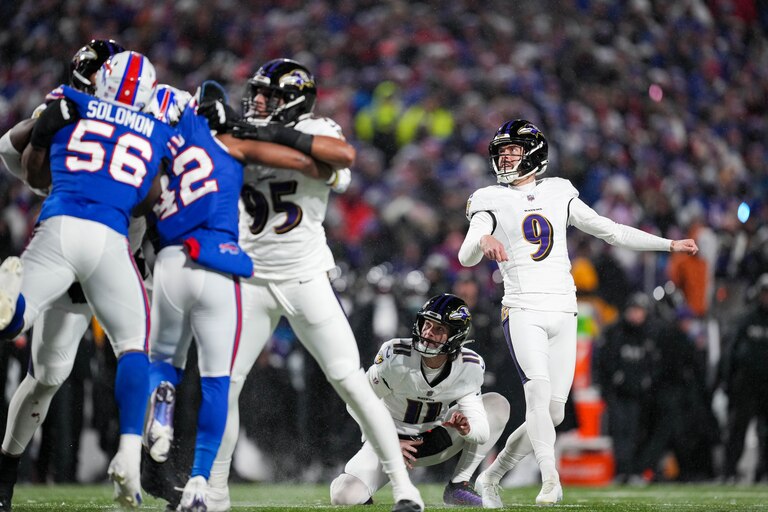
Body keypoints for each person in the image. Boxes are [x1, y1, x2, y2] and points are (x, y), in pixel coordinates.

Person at [203, 58, 423, 512]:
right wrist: (262, 141)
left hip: (305, 276)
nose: (257, 101)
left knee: (350, 380)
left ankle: (404, 487)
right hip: (250, 278)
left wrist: (265, 138)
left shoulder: (316, 128)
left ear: (293, 101)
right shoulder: (243, 131)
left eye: (269, 95)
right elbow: (235, 150)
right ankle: (216, 492)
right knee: (225, 384)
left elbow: (340, 159)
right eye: (256, 93)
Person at [458, 119, 699, 507]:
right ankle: (550, 479)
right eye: (501, 152)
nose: (505, 158)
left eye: (513, 151)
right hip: (522, 306)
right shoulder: (489, 198)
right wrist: (482, 239)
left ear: (533, 154)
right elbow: (465, 255)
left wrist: (667, 244)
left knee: (553, 413)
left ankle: (492, 476)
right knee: (536, 393)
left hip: (564, 308)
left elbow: (610, 230)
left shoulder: (559, 191)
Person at [141, 81, 336, 511]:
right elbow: (303, 162)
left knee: (164, 362)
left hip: (171, 259)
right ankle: (200, 484)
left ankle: (161, 404)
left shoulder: (158, 143)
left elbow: (141, 198)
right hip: (222, 264)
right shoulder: (232, 144)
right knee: (218, 383)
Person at [0, 50, 175, 509]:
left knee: (41, 371)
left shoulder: (69, 104)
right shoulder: (155, 125)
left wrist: (44, 130)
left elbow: (14, 156)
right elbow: (150, 200)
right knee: (135, 349)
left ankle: (13, 309)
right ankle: (131, 456)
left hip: (59, 229)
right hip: (112, 248)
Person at [330, 293, 510, 507]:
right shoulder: (396, 356)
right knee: (343, 495)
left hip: (435, 438)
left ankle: (459, 485)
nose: (428, 332)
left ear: (456, 335)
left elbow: (481, 432)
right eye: (427, 324)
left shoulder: (469, 365)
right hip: (389, 441)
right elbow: (356, 403)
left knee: (497, 404)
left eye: (439, 329)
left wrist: (466, 429)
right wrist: (388, 442)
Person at [592, 292, 657, 483]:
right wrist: (607, 387)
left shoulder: (649, 335)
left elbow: (655, 364)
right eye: (634, 310)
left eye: (640, 311)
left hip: (640, 395)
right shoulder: (614, 333)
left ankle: (635, 471)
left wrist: (648, 383)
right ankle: (622, 472)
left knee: (638, 433)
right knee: (620, 433)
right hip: (618, 394)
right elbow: (602, 363)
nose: (636, 315)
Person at [720, 273, 768, 482]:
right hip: (746, 386)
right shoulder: (746, 320)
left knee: (766, 433)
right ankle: (729, 472)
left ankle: (763, 473)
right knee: (737, 429)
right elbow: (730, 353)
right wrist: (727, 381)